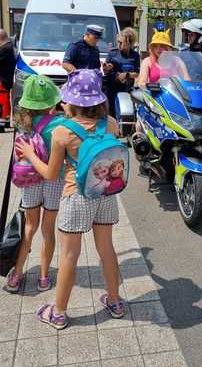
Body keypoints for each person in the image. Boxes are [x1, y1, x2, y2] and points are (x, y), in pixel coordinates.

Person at [17, 69, 123, 329]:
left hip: (75, 197)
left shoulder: (63, 132)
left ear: (72, 101)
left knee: (69, 255)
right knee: (106, 248)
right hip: (106, 191)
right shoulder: (111, 123)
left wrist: (30, 154)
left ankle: (59, 312)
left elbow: (51, 174)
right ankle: (115, 301)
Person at [6, 75, 65, 293]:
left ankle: (17, 274)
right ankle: (43, 277)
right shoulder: (60, 124)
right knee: (48, 229)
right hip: (54, 179)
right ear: (52, 101)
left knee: (29, 227)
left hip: (30, 179)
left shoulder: (22, 123)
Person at [103, 27, 140, 115]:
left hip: (126, 90)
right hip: (111, 90)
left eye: (121, 43)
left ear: (129, 43)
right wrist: (106, 68)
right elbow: (105, 71)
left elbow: (137, 73)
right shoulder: (112, 53)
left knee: (125, 114)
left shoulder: (135, 56)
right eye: (118, 42)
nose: (118, 45)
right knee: (110, 115)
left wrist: (126, 75)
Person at [0, 29, 16, 123]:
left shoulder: (5, 48)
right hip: (7, 77)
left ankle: (3, 119)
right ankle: (4, 118)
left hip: (4, 78)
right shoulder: (9, 47)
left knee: (3, 98)